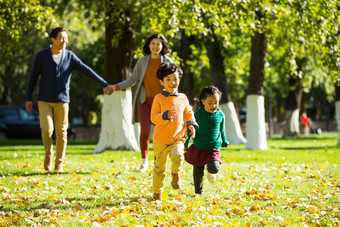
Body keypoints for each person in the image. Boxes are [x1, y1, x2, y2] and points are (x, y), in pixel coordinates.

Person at [25, 27, 114, 173]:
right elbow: (33, 77)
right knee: (47, 130)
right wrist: (28, 98)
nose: (64, 41)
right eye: (61, 38)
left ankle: (58, 164)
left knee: (62, 132)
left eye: (66, 38)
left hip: (62, 100)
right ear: (53, 39)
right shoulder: (42, 56)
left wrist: (104, 84)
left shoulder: (70, 56)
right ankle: (48, 154)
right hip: (44, 100)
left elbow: (86, 70)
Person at [111, 34, 173, 172]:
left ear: (162, 46)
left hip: (162, 103)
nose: (155, 46)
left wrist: (175, 100)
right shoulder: (142, 61)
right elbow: (132, 80)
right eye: (153, 43)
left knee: (160, 133)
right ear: (148, 45)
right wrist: (115, 87)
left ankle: (158, 161)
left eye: (158, 44)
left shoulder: (168, 61)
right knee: (144, 130)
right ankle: (144, 162)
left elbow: (174, 82)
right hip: (145, 101)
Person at [150, 62, 198, 201]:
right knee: (159, 169)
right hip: (160, 140)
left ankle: (176, 173)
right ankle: (157, 193)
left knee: (178, 155)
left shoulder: (182, 97)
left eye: (175, 79)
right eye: (168, 79)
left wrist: (192, 124)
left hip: (177, 137)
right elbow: (153, 118)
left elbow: (189, 113)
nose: (172, 82)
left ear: (179, 79)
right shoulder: (158, 98)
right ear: (161, 82)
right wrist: (164, 116)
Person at [184, 86, 229, 195]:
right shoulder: (198, 115)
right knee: (198, 171)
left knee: (214, 167)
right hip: (199, 146)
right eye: (210, 103)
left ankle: (211, 172)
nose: (213, 106)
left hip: (213, 147)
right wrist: (185, 143)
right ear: (203, 101)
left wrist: (224, 140)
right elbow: (190, 130)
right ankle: (198, 192)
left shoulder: (220, 115)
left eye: (216, 102)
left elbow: (222, 130)